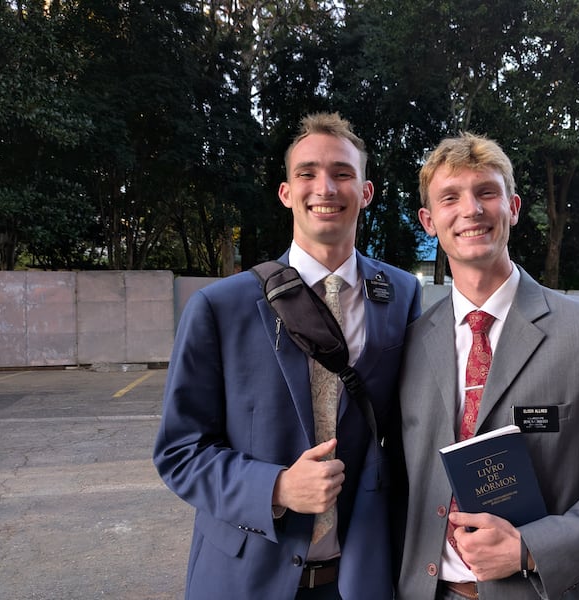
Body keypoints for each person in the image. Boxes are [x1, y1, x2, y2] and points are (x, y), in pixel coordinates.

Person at [154, 112, 422, 600]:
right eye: (308, 173)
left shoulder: (401, 294)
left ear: (365, 192)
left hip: (360, 575)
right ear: (286, 192)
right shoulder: (220, 307)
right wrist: (274, 488)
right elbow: (179, 451)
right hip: (244, 574)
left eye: (343, 173)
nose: (326, 187)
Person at [395, 132, 579, 600]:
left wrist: (529, 548)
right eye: (450, 198)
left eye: (486, 193)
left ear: (513, 207)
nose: (471, 210)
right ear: (428, 221)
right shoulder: (412, 342)